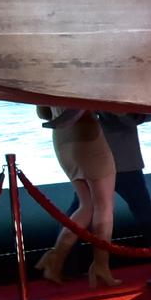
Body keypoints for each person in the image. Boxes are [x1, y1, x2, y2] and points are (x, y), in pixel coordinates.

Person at [33, 107, 120, 287]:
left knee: (86, 205)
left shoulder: (47, 77)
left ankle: (56, 258)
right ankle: (101, 265)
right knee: (104, 206)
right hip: (86, 133)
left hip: (61, 137)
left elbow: (43, 113)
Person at [97, 112, 151, 248]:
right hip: (121, 161)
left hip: (102, 158)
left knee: (81, 211)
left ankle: (61, 258)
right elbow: (132, 119)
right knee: (143, 211)